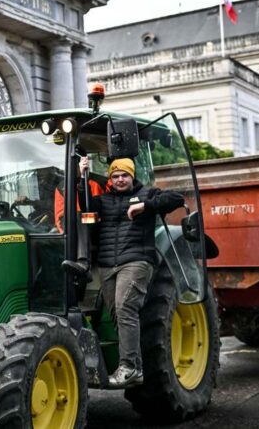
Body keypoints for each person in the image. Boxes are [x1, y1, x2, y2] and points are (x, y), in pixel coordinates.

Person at [80, 157, 184, 388]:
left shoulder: (147, 194)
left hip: (136, 261)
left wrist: (145, 206)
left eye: (124, 175)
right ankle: (135, 367)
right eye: (115, 176)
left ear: (132, 176)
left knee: (126, 307)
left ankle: (129, 367)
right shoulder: (104, 200)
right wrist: (83, 176)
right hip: (108, 264)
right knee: (118, 313)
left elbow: (176, 198)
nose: (119, 180)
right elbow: (85, 204)